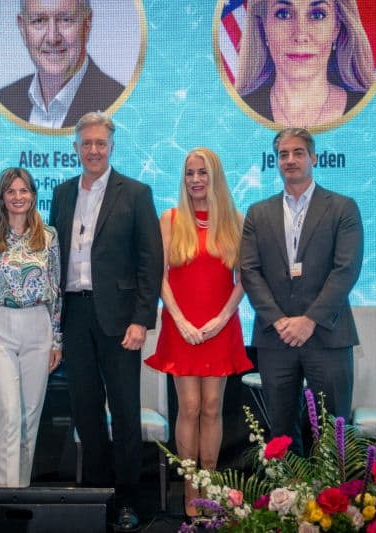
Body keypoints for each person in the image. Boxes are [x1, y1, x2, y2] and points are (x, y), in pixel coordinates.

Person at [48, 111, 163, 531]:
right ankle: (97, 499)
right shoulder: (62, 194)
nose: (93, 150)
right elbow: (53, 258)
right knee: (86, 410)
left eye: (101, 143)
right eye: (87, 143)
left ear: (111, 147)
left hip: (119, 319)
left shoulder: (135, 193)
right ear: (75, 148)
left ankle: (128, 500)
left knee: (126, 412)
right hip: (74, 314)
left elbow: (151, 261)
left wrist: (142, 319)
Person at [239, 127, 363, 456]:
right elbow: (249, 272)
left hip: (326, 335)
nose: (290, 160)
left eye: (298, 153)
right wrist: (280, 321)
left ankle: (333, 492)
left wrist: (309, 320)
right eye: (283, 154)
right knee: (280, 436)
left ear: (314, 158)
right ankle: (287, 491)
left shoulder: (342, 208)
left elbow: (346, 270)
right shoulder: (257, 213)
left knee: (333, 433)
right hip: (275, 338)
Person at [144, 148, 252, 518]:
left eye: (202, 172)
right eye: (189, 173)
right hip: (182, 327)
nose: (195, 180)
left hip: (219, 327)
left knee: (211, 407)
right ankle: (190, 488)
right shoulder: (170, 219)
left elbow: (244, 278)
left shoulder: (235, 220)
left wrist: (222, 318)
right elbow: (159, 277)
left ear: (214, 176)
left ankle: (211, 484)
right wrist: (179, 320)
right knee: (188, 407)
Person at [0, 167, 63, 488]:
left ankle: (20, 494)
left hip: (38, 328)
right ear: (1, 198)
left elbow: (56, 289)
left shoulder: (49, 236)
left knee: (29, 419)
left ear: (33, 195)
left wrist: (56, 340)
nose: (17, 197)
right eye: (10, 191)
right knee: (8, 415)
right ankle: (4, 496)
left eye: (23, 190)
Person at [234, 0, 375, 127]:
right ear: (264, 26)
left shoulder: (373, 112)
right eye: (283, 14)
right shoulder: (236, 115)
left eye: (317, 15)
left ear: (336, 28)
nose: (300, 35)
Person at [0, 0, 125, 129]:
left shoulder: (120, 105)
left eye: (65, 20)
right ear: (23, 28)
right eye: (39, 21)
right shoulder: (3, 102)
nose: (52, 38)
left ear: (87, 24)